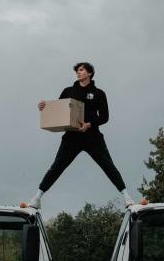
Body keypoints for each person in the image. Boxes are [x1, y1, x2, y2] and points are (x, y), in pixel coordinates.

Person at [26, 62, 134, 209]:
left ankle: (127, 197)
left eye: (81, 70)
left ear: (89, 73)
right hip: (72, 137)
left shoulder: (99, 94)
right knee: (57, 167)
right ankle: (37, 198)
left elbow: (105, 117)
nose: (78, 72)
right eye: (77, 70)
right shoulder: (68, 91)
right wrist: (44, 106)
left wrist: (89, 124)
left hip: (92, 137)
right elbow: (58, 111)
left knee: (108, 166)